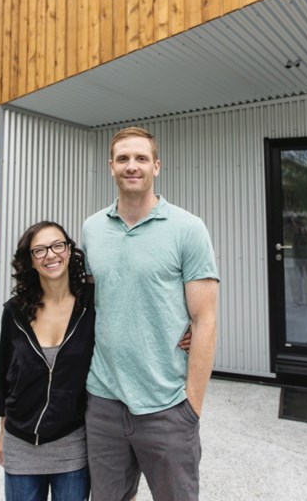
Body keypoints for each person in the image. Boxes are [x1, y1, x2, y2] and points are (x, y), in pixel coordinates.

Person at [81, 126, 220, 501]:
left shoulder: (188, 229)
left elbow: (205, 319)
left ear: (156, 166)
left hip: (167, 406)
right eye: (123, 158)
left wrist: (192, 404)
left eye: (141, 158)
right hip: (104, 402)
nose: (132, 166)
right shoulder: (92, 229)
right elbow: (94, 304)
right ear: (110, 166)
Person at [0, 221, 94, 501]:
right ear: (31, 261)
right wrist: (2, 433)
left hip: (71, 445)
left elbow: (135, 305)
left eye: (57, 245)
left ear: (69, 250)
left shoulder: (90, 304)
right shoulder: (14, 312)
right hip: (21, 444)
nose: (51, 255)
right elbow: (5, 378)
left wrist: (184, 329)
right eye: (39, 250)